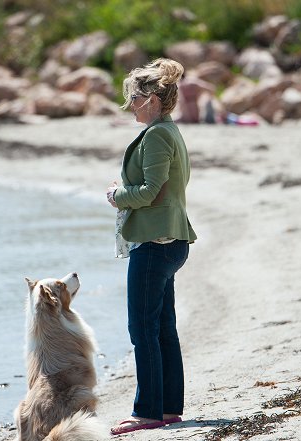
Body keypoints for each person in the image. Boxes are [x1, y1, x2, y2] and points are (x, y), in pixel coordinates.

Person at [106, 58, 197, 435]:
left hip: (157, 243)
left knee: (142, 327)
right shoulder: (169, 131)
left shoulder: (159, 134)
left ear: (153, 99)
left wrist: (117, 195)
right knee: (161, 327)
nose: (130, 105)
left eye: (135, 97)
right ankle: (169, 408)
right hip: (170, 240)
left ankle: (147, 412)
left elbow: (149, 191)